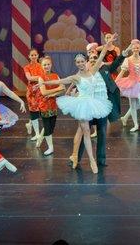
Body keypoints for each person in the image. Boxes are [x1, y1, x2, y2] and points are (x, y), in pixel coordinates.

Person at [41, 34, 117, 173]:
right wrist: (43, 82)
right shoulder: (75, 77)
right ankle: (91, 160)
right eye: (78, 62)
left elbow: (101, 56)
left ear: (85, 61)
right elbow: (59, 81)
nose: (80, 64)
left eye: (82, 61)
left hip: (93, 103)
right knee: (86, 132)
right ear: (76, 64)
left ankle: (85, 159)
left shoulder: (93, 71)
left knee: (89, 132)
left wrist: (109, 43)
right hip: (82, 105)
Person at [76, 41, 132, 167]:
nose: (93, 59)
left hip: (102, 107)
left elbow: (117, 62)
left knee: (102, 133)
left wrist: (124, 53)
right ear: (87, 61)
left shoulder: (105, 69)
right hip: (89, 107)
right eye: (91, 58)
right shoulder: (85, 73)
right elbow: (78, 84)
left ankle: (101, 161)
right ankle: (76, 159)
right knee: (84, 132)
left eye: (95, 57)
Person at [36, 56, 65, 155]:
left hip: (53, 105)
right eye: (44, 65)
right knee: (48, 128)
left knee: (51, 127)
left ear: (51, 65)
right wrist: (57, 89)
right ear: (41, 66)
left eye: (48, 64)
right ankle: (50, 147)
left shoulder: (55, 76)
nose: (46, 66)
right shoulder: (41, 78)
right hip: (44, 105)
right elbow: (44, 92)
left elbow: (63, 89)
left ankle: (41, 136)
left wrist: (53, 94)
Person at [23, 48, 45, 141]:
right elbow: (29, 78)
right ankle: (37, 133)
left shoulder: (42, 66)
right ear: (29, 56)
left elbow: (45, 76)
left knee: (41, 111)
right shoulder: (27, 67)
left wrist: (39, 78)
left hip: (41, 91)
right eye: (32, 55)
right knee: (34, 113)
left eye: (35, 55)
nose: (34, 56)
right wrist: (40, 77)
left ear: (38, 55)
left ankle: (30, 124)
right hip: (32, 93)